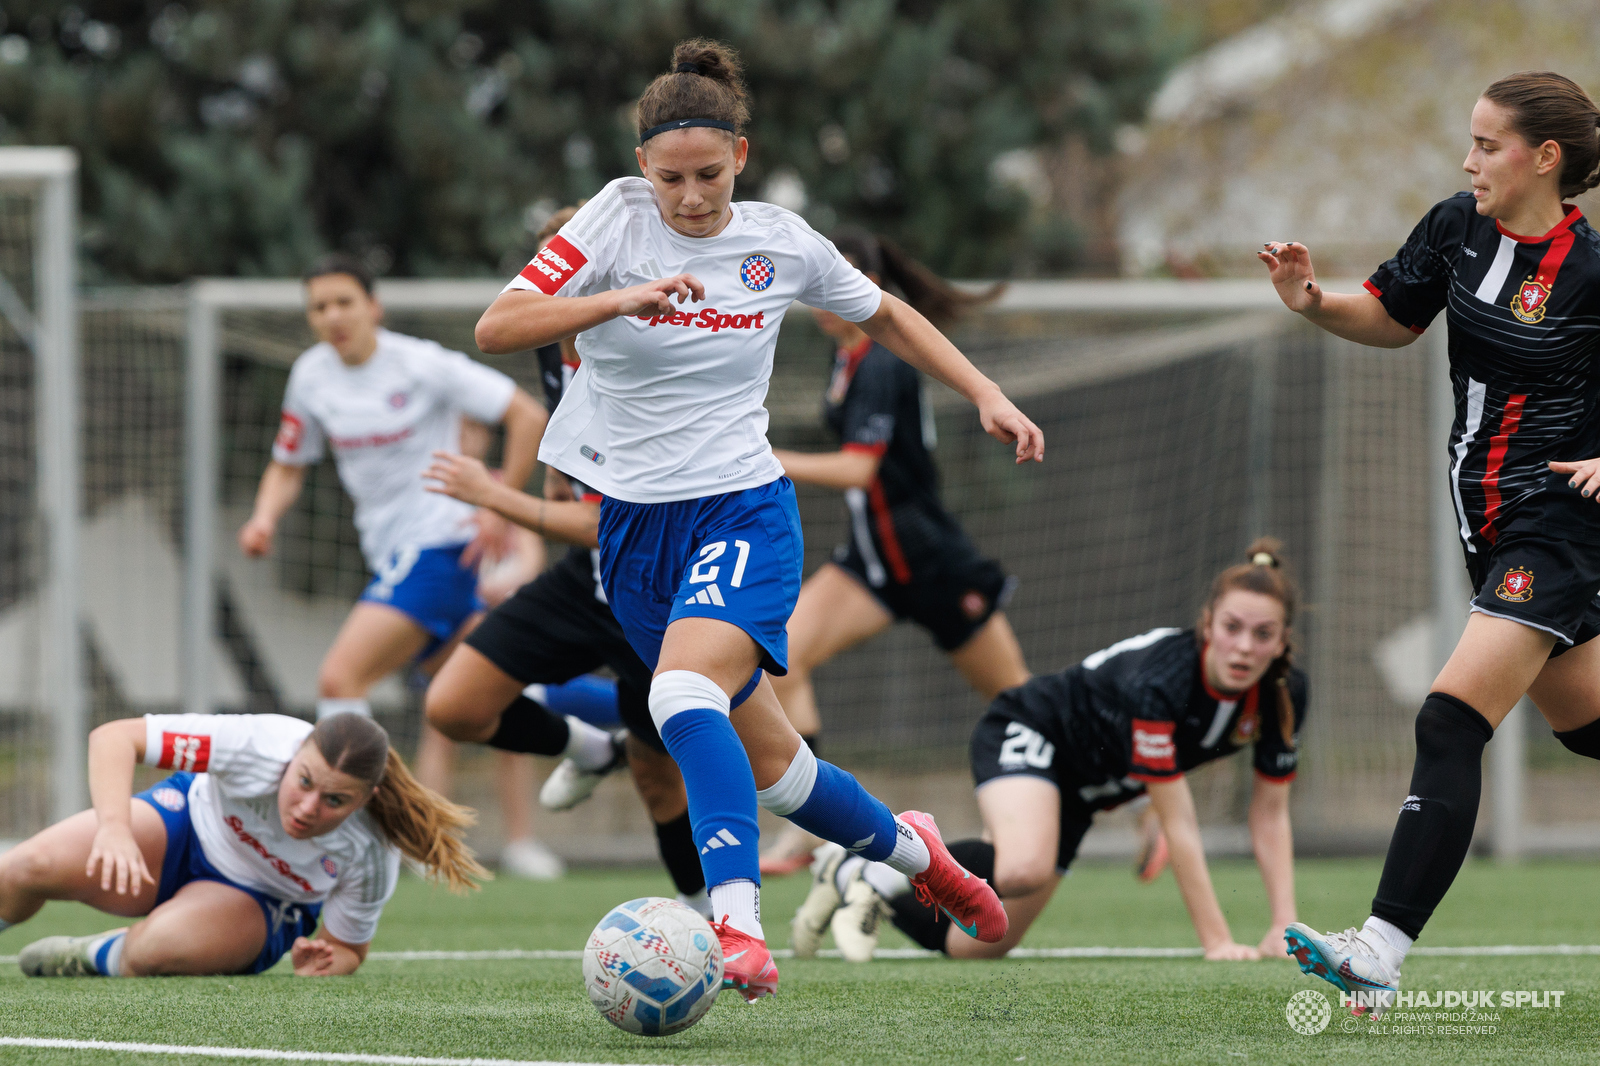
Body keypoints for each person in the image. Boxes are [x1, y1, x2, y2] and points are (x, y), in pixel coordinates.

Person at [473, 38, 1043, 1000]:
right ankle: (924, 860)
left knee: (678, 700)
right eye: (669, 178)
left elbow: (891, 316)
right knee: (777, 770)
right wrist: (620, 296)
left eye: (707, 174)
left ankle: (733, 924)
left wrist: (986, 391)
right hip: (632, 531)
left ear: (742, 153)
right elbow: (497, 325)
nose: (689, 197)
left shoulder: (782, 241)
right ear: (640, 164)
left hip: (743, 506)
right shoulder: (611, 221)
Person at [1262, 71, 1600, 1018]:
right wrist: (1313, 301)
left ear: (1546, 158)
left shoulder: (1592, 271)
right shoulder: (1458, 226)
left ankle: (1379, 947)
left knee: (1450, 719)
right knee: (1589, 730)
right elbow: (1395, 316)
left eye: (1488, 144)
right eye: (1470, 140)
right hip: (1487, 528)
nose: (1468, 159)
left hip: (1560, 521)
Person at [793, 541, 1305, 964]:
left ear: (1283, 641)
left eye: (1263, 635)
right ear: (1208, 623)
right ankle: (877, 863)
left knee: (975, 946)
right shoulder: (1162, 681)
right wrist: (1217, 941)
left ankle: (858, 875)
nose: (1244, 648)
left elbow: (1270, 814)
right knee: (1022, 869)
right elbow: (1179, 822)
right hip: (1030, 728)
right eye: (1233, 628)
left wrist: (1283, 923)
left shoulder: (1285, 695)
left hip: (1081, 793)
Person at [421, 206, 712, 917]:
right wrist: (556, 470)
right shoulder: (552, 336)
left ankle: (711, 923)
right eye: (556, 261)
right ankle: (588, 743)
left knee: (662, 780)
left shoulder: (659, 350)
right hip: (589, 580)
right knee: (452, 706)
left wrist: (499, 498)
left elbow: (613, 519)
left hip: (655, 585)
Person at [760, 229, 1030, 874]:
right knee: (780, 659)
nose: (824, 295)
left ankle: (1141, 808)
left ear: (870, 289)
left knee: (1022, 704)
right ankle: (808, 823)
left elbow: (859, 472)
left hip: (930, 560)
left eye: (841, 279)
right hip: (872, 563)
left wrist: (763, 459)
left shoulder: (882, 360)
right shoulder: (847, 355)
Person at [237, 253, 545, 724]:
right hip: (390, 551)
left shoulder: (420, 363)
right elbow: (288, 466)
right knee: (483, 697)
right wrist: (264, 518)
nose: (334, 316)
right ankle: (609, 738)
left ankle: (351, 801)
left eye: (344, 302)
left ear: (373, 307)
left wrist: (500, 509)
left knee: (340, 681)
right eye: (320, 308)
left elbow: (526, 415)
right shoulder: (310, 376)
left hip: (439, 547)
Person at [0, 711, 483, 977]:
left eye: (335, 800)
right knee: (26, 865)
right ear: (294, 755)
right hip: (186, 823)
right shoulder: (256, 743)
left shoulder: (372, 851)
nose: (308, 807)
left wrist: (328, 961)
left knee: (154, 951)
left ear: (365, 800)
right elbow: (113, 738)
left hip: (257, 899)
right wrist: (114, 827)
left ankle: (95, 955)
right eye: (304, 781)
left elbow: (348, 949)